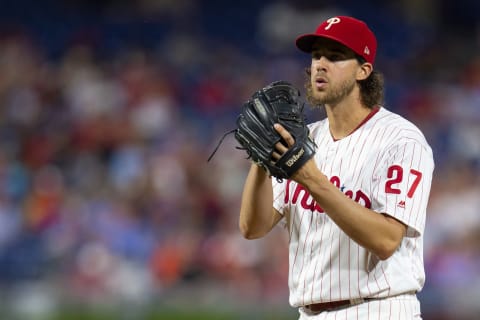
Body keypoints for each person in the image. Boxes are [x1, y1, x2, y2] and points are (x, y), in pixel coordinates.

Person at [239, 16, 434, 319]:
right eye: (317, 55)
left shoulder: (401, 140)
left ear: (363, 70)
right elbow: (253, 228)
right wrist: (261, 161)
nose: (320, 64)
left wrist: (312, 180)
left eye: (335, 56)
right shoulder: (306, 138)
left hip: (378, 309)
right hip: (309, 312)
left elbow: (386, 240)